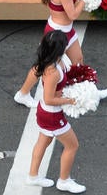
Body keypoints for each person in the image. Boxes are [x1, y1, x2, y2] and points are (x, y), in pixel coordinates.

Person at [15, 0, 107, 107]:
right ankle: (22, 94)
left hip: (66, 30)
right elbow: (72, 14)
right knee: (41, 66)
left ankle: (89, 90)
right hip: (56, 33)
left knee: (78, 61)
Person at [23, 30, 86, 193]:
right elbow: (49, 98)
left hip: (47, 112)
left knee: (44, 141)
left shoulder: (57, 62)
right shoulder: (52, 71)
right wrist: (71, 100)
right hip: (51, 114)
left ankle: (32, 176)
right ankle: (64, 181)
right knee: (72, 145)